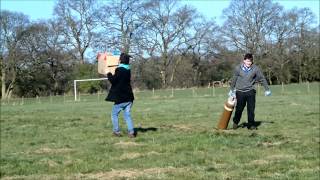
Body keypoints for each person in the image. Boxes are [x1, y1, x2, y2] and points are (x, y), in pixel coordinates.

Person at [228, 53, 271, 130]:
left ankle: (251, 125)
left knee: (251, 109)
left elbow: (262, 78)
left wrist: (267, 89)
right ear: (244, 60)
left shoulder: (255, 69)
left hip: (250, 91)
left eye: (250, 61)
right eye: (247, 61)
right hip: (240, 92)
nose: (249, 63)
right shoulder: (238, 68)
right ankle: (235, 122)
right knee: (239, 109)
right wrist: (231, 90)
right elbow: (234, 80)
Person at [105, 52, 135, 138]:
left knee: (114, 114)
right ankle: (131, 132)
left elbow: (113, 81)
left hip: (121, 98)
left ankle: (116, 131)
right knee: (127, 115)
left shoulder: (119, 70)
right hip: (129, 98)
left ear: (120, 60)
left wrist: (108, 73)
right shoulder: (128, 70)